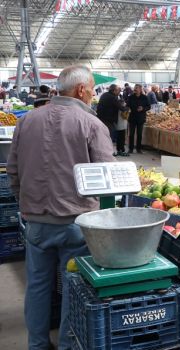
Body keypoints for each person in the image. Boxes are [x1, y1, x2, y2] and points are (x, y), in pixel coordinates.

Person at [7, 65, 115, 350]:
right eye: (92, 88)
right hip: (75, 226)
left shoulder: (27, 121)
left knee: (38, 286)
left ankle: (37, 345)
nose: (93, 94)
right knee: (72, 288)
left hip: (36, 224)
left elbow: (13, 171)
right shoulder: (91, 124)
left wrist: (26, 203)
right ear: (81, 90)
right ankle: (67, 344)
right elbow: (108, 177)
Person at [127, 84, 151, 154]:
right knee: (131, 134)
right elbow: (127, 105)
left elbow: (149, 106)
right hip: (132, 118)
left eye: (136, 88)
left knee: (139, 134)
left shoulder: (144, 97)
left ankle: (138, 149)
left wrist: (143, 108)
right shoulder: (131, 97)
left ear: (140, 89)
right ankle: (130, 149)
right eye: (135, 88)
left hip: (141, 118)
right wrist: (127, 108)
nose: (135, 89)